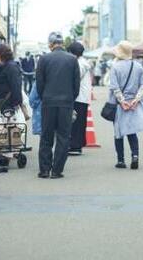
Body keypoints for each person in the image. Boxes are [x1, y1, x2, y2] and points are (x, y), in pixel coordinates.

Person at [108, 41, 143, 170]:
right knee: (132, 131)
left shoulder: (115, 67)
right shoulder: (138, 66)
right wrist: (135, 100)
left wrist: (122, 101)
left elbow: (114, 87)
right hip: (134, 105)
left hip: (119, 105)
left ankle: (121, 160)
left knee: (119, 132)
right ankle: (135, 156)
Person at [35, 32, 80, 179]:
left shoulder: (43, 59)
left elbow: (39, 84)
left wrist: (44, 97)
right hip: (66, 102)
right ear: (62, 44)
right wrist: (70, 98)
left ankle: (44, 170)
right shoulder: (73, 59)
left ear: (51, 44)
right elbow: (76, 85)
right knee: (63, 137)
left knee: (46, 136)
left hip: (48, 101)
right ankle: (57, 170)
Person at [67, 41, 91, 156]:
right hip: (81, 97)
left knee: (77, 123)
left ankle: (75, 146)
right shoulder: (81, 62)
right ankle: (77, 144)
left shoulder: (80, 64)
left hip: (79, 97)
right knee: (79, 122)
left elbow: (75, 79)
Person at [0, 43, 23, 113]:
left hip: (7, 107)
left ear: (0, 56)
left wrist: (15, 105)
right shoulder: (4, 67)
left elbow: (16, 88)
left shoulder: (11, 67)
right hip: (0, 105)